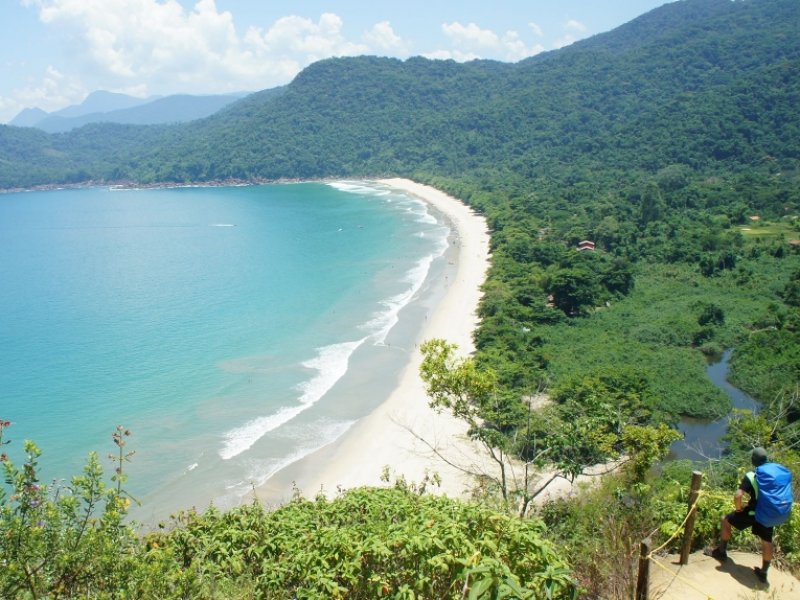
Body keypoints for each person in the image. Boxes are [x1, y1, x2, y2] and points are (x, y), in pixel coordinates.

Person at [705, 447, 774, 584]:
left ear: (753, 461)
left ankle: (722, 552)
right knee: (767, 541)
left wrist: (738, 509)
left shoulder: (752, 476)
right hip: (768, 513)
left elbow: (738, 495)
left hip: (753, 512)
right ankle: (763, 572)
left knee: (725, 520)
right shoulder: (774, 475)